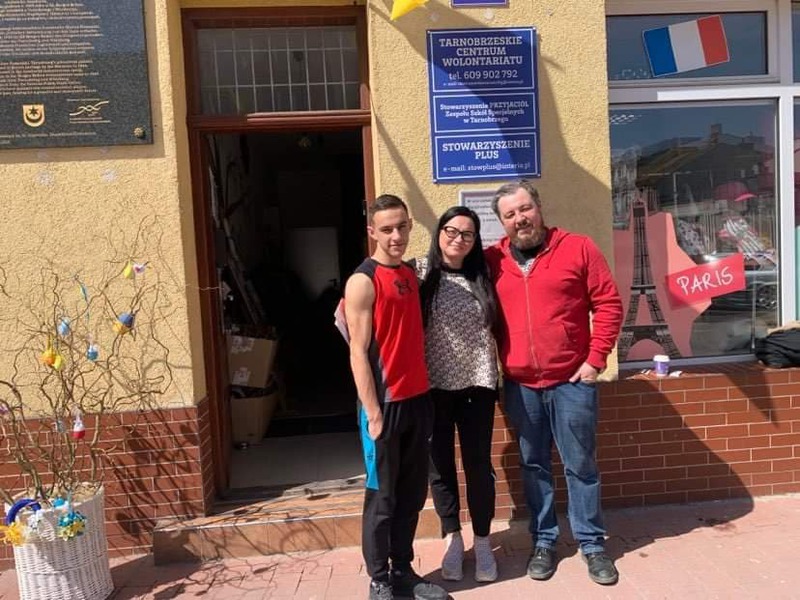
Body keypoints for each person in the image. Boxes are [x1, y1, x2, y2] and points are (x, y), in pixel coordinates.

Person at [485, 180, 624, 586]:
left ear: (539, 207)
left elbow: (609, 303)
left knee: (580, 465)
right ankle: (544, 541)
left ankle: (592, 544)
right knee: (534, 466)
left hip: (571, 381)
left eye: (525, 209)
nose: (520, 219)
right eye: (510, 214)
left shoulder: (578, 248)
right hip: (521, 385)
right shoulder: (491, 260)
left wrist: (595, 360)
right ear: (502, 222)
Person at [343, 194, 447, 600]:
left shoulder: (407, 273)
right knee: (382, 498)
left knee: (411, 495)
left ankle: (403, 571)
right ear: (372, 231)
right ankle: (379, 579)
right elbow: (357, 351)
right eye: (386, 229)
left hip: (418, 399)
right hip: (383, 406)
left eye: (402, 226)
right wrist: (372, 412)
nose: (396, 236)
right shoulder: (363, 280)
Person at [415, 206, 499, 583]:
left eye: (467, 233)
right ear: (439, 232)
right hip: (433, 387)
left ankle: (482, 540)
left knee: (478, 466)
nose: (458, 239)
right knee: (441, 467)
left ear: (475, 240)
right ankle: (452, 536)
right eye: (451, 230)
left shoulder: (484, 276)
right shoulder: (419, 273)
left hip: (478, 386)